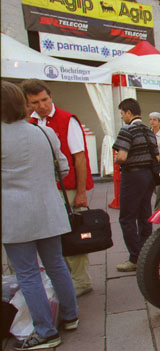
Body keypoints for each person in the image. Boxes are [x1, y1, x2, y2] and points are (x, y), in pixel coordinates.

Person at [2, 81, 79, 350]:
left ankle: (45, 331)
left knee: (28, 273)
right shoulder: (44, 132)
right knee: (57, 263)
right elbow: (64, 169)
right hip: (48, 208)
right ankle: (70, 316)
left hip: (14, 214)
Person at [22, 79, 94, 297]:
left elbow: (79, 158)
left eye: (44, 99)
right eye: (35, 102)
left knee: (74, 234)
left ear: (51, 97)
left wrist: (81, 192)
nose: (41, 105)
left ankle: (81, 281)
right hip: (44, 188)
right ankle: (64, 278)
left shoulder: (66, 119)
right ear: (28, 103)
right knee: (53, 236)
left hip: (68, 187)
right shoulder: (30, 123)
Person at [112, 98, 159, 272]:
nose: (122, 117)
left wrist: (116, 160)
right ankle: (146, 253)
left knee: (127, 217)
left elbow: (122, 156)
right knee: (144, 213)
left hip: (132, 176)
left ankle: (135, 257)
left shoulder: (127, 130)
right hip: (149, 176)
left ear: (129, 113)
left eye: (122, 113)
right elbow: (157, 157)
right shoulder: (149, 131)